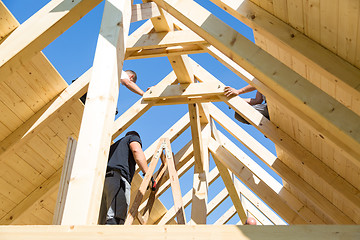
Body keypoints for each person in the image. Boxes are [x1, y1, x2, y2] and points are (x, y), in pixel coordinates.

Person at [98, 131, 154, 225]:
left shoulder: (113, 147)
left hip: (104, 182)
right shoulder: (132, 138)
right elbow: (136, 150)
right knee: (116, 220)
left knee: (102, 223)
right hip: (118, 179)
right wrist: (149, 176)